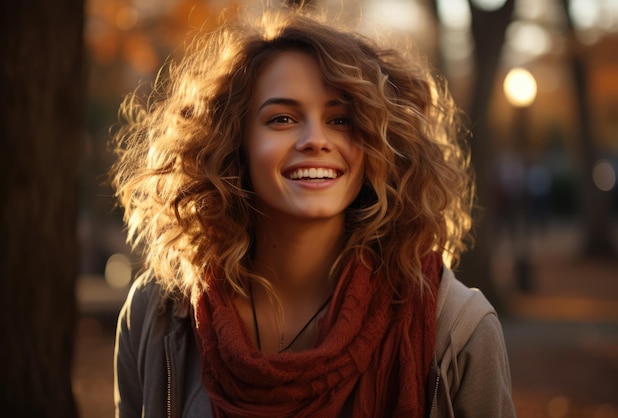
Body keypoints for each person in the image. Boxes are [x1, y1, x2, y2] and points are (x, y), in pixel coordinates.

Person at [111, 7, 516, 418]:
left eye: (340, 119)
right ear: (236, 141)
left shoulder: (458, 328)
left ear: (378, 143)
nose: (315, 140)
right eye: (282, 118)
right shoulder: (157, 315)